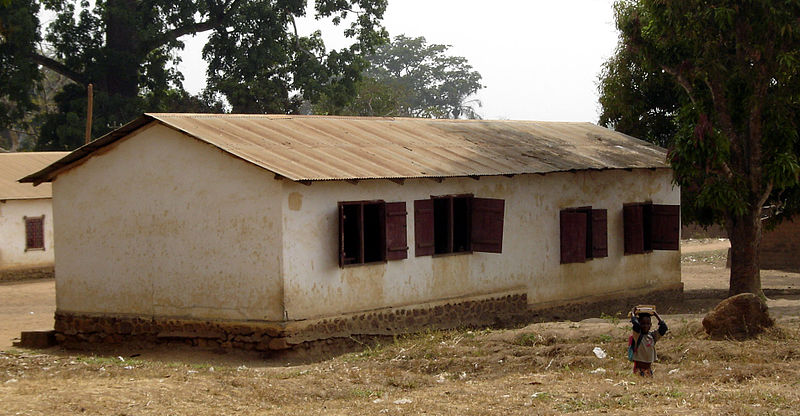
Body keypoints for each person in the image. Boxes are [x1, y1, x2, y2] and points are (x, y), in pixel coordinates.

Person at [630, 307, 668, 377]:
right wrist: (633, 314)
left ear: (650, 325)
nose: (645, 326)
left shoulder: (652, 336)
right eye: (643, 324)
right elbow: (636, 325)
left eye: (648, 324)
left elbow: (664, 328)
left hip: (648, 370)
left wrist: (656, 315)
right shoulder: (637, 336)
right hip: (639, 370)